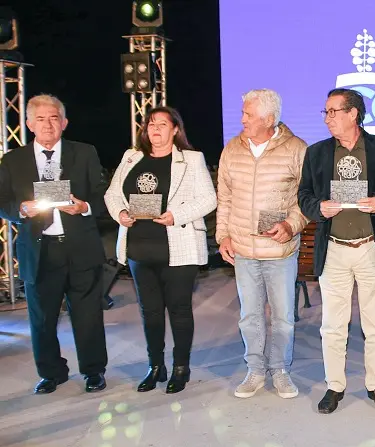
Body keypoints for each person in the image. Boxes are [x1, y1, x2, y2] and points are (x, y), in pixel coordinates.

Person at [297, 88, 375, 414]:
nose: (327, 118)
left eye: (333, 111)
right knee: (333, 324)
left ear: (353, 113)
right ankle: (334, 386)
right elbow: (303, 196)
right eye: (325, 112)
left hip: (372, 248)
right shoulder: (316, 153)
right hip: (334, 250)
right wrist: (319, 208)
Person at [0, 94, 108, 394]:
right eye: (41, 119)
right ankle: (51, 372)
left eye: (54, 118)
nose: (48, 125)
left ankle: (93, 370)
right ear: (29, 123)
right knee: (42, 317)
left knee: (87, 315)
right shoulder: (13, 160)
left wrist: (84, 206)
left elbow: (102, 195)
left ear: (64, 122)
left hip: (79, 246)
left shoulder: (84, 153)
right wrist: (21, 210)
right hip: (39, 248)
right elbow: (2, 202)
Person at [104, 106, 216, 394]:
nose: (155, 129)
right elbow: (113, 194)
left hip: (178, 246)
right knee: (150, 312)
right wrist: (121, 213)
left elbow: (208, 200)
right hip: (139, 248)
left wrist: (175, 215)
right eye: (151, 124)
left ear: (175, 129)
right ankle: (155, 366)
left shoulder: (191, 159)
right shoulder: (131, 157)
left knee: (179, 310)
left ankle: (181, 367)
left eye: (162, 124)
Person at [216, 89, 308, 399]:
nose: (241, 119)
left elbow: (305, 200)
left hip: (279, 251)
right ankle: (254, 370)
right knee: (249, 316)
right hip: (243, 249)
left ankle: (280, 370)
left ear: (269, 119)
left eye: (248, 114)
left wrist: (291, 225)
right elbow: (224, 198)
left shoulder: (296, 149)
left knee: (282, 316)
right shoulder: (232, 149)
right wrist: (223, 236)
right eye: (242, 113)